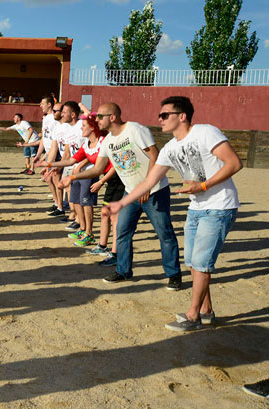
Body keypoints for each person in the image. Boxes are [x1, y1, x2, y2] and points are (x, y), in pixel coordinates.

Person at [103, 96, 241, 331]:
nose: (160, 119)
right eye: (160, 115)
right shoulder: (170, 148)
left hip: (219, 206)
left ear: (182, 116)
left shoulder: (205, 132)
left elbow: (234, 163)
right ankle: (206, 310)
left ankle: (193, 316)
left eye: (165, 115)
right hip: (196, 208)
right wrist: (121, 203)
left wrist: (204, 186)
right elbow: (149, 181)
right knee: (194, 264)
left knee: (201, 263)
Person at [73, 102, 182, 289]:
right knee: (122, 232)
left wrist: (147, 186)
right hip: (130, 193)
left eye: (100, 116)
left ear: (112, 117)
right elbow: (98, 169)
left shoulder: (135, 129)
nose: (96, 119)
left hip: (155, 191)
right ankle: (123, 271)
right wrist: (73, 176)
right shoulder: (107, 141)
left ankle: (173, 274)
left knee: (164, 233)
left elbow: (155, 155)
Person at [41, 113, 116, 247]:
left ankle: (89, 233)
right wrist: (50, 164)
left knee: (88, 204)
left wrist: (101, 181)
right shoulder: (87, 144)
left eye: (84, 126)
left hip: (106, 177)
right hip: (89, 175)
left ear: (93, 128)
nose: (81, 128)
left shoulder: (103, 141)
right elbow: (71, 160)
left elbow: (114, 165)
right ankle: (83, 230)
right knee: (76, 200)